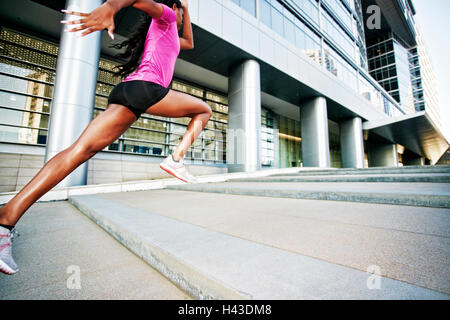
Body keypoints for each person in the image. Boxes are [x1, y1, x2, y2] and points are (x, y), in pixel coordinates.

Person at [0, 0, 213, 275]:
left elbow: (189, 43)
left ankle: (6, 219)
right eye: (181, 10)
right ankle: (176, 159)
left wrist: (188, 9)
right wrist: (112, 6)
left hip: (127, 92)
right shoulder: (167, 16)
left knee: (79, 150)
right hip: (147, 90)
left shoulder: (170, 32)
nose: (183, 16)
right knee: (204, 110)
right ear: (174, 7)